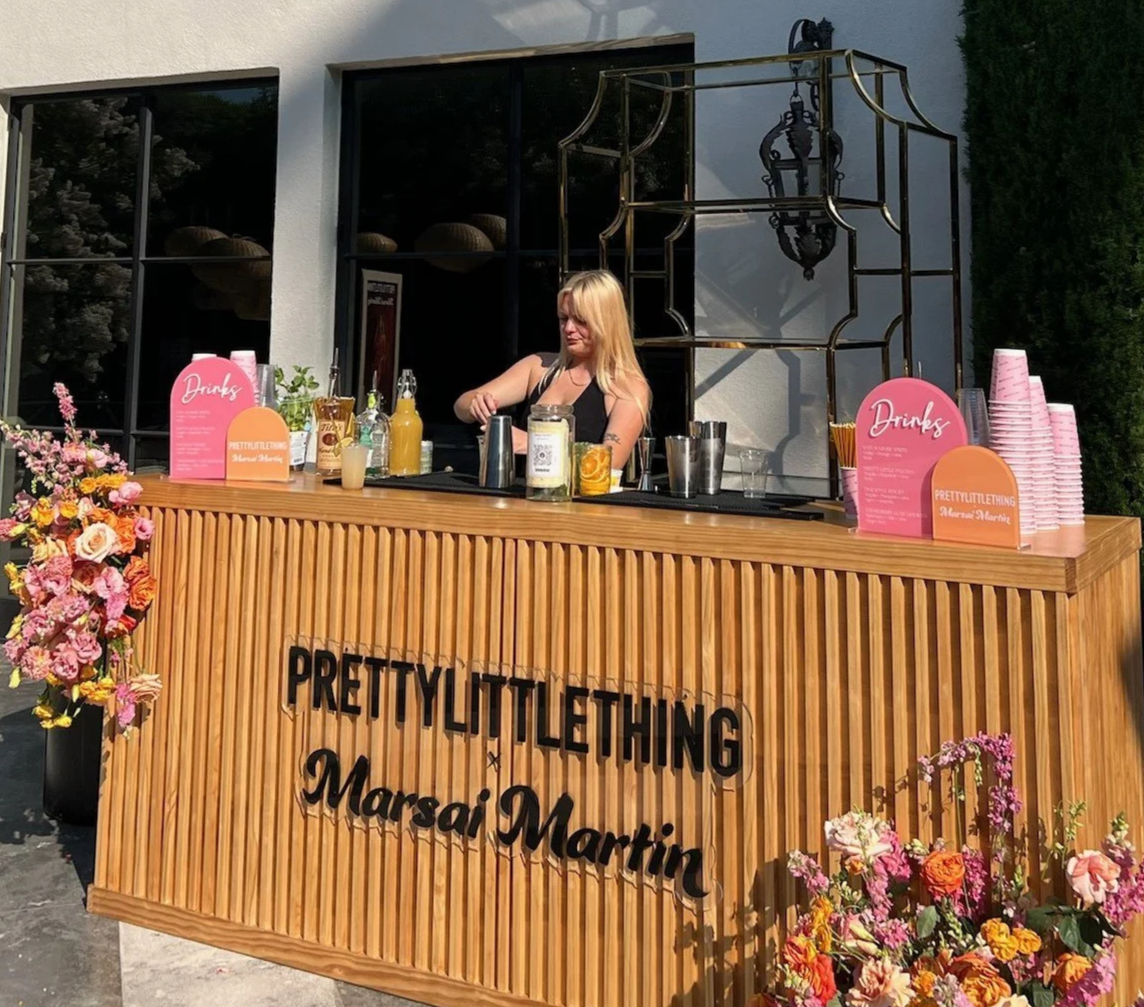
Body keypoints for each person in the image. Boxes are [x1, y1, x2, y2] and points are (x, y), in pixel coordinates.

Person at [453, 270, 650, 469]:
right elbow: (461, 405)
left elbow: (609, 464)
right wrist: (475, 405)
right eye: (564, 318)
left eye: (581, 320)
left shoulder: (626, 386)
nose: (568, 328)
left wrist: (532, 443)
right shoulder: (540, 367)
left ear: (607, 322)